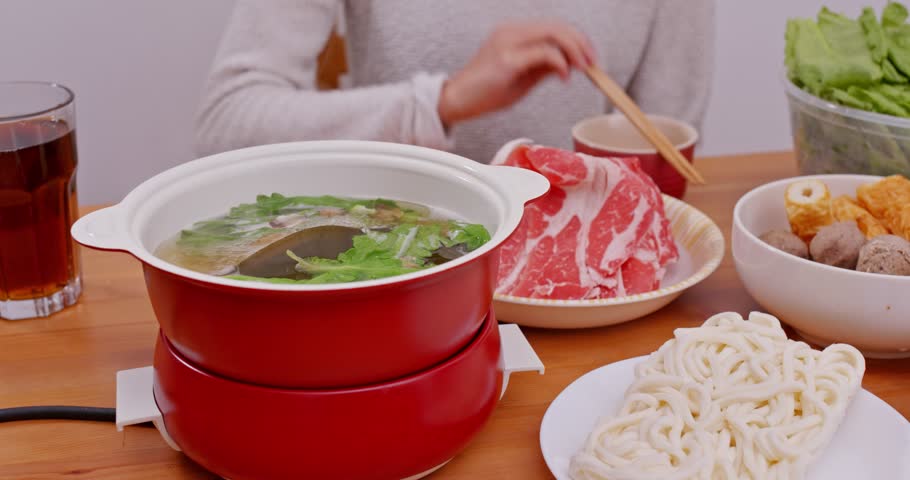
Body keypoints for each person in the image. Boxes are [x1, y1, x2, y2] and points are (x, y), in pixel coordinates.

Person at [195, 0, 714, 164]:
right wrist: (442, 103)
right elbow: (229, 122)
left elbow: (665, 151)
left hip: (590, 294)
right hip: (398, 267)